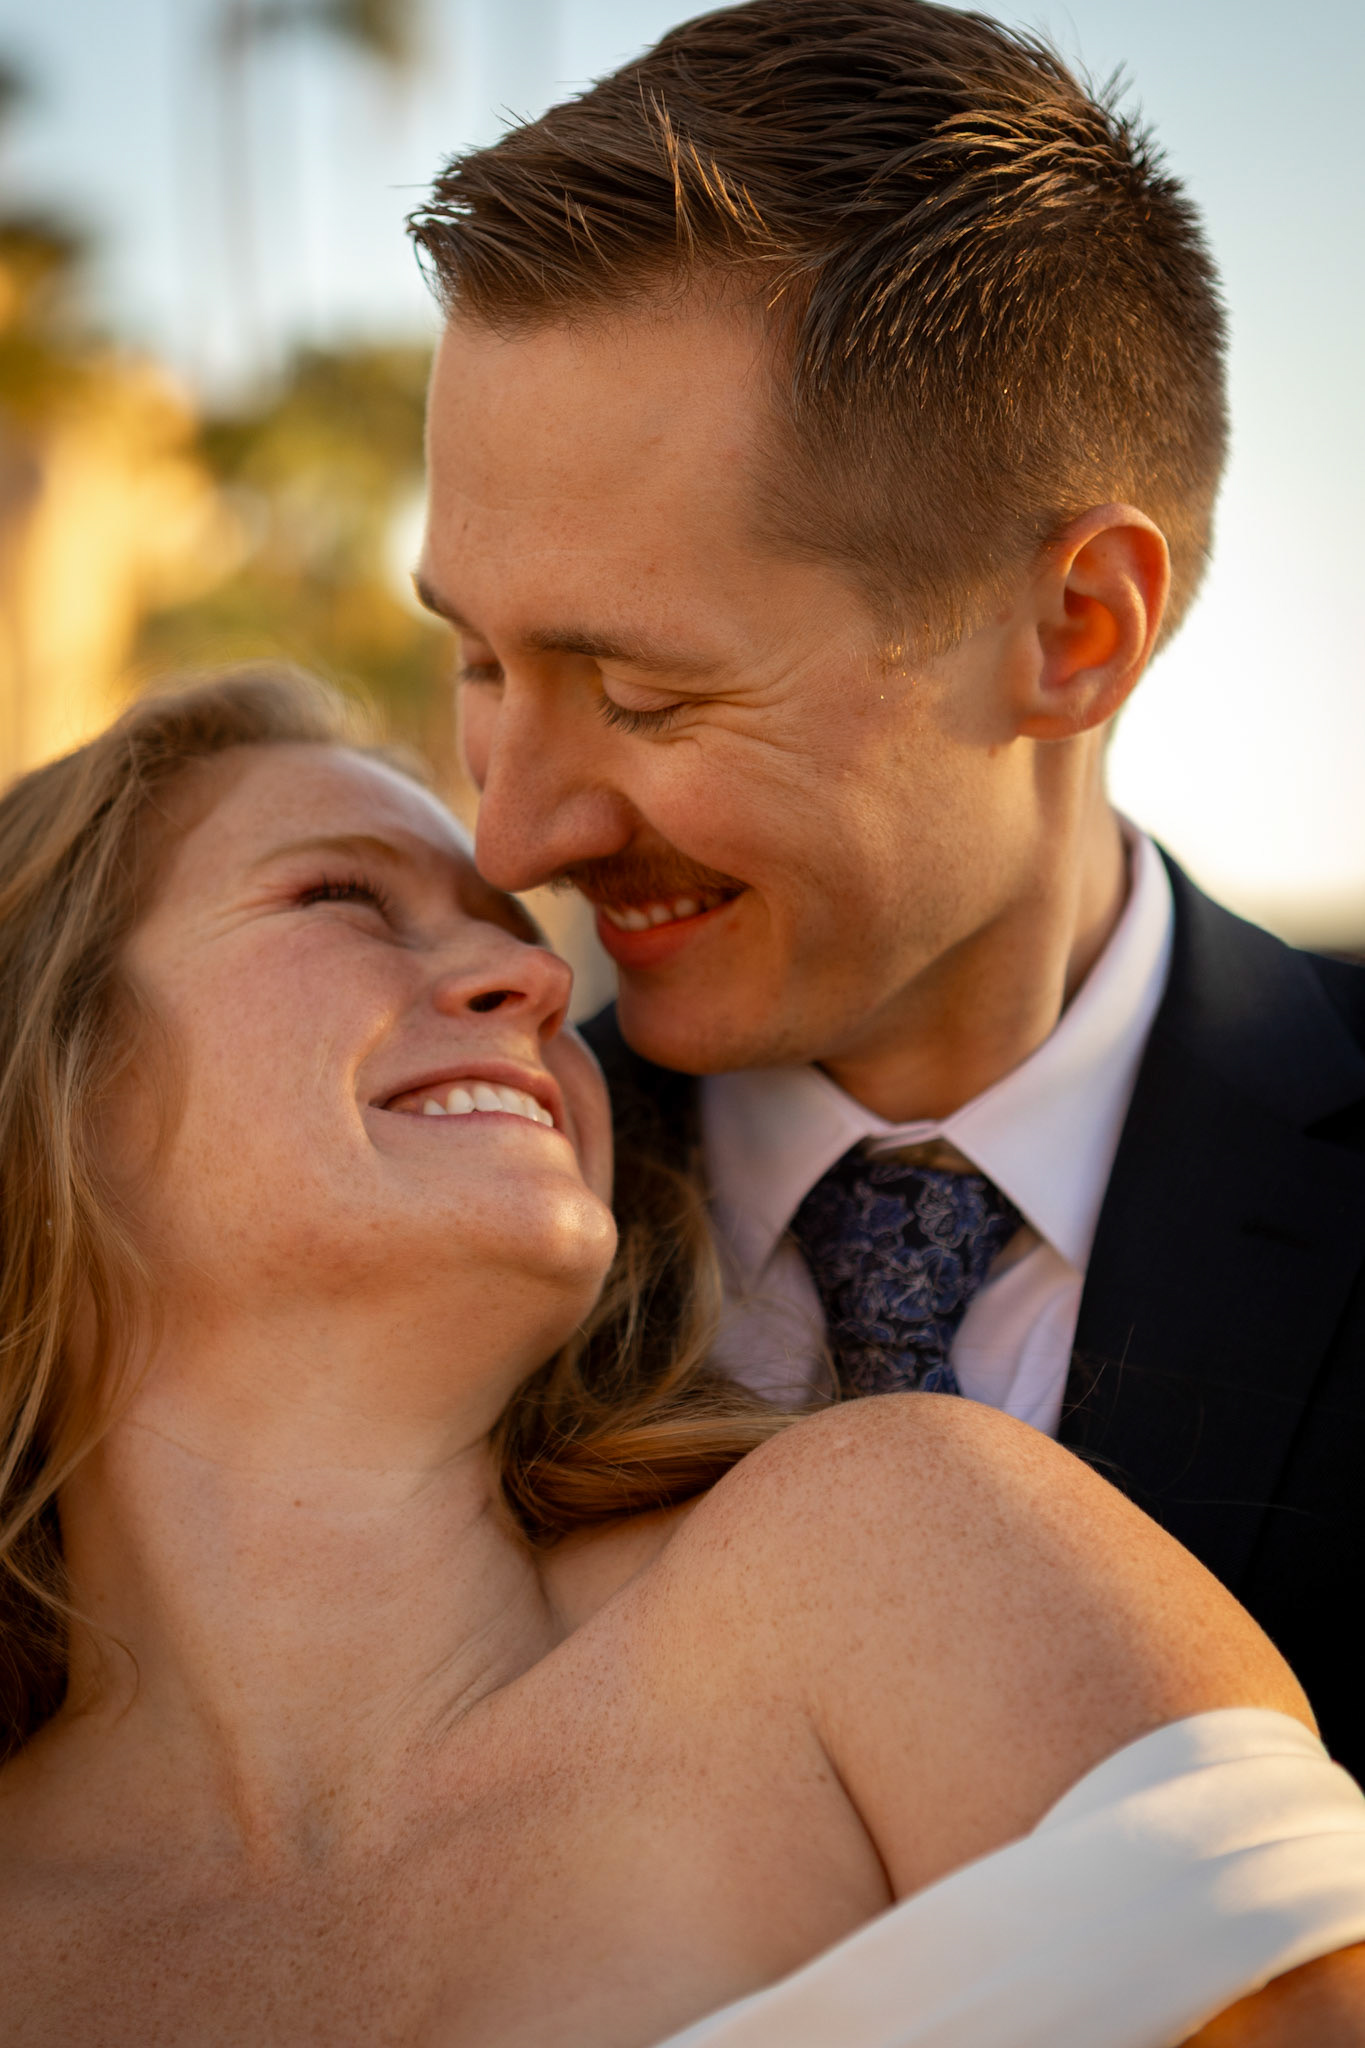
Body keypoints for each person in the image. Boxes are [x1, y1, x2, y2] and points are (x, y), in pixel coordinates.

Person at [1, 668, 1364, 2046]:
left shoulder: (893, 1552)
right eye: (339, 899)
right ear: (47, 1057)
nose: (540, 977)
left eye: (514, 934)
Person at [407, 0, 1365, 1781]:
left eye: (643, 694)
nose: (513, 841)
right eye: (477, 663)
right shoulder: (412, 1257)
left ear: (1071, 631)